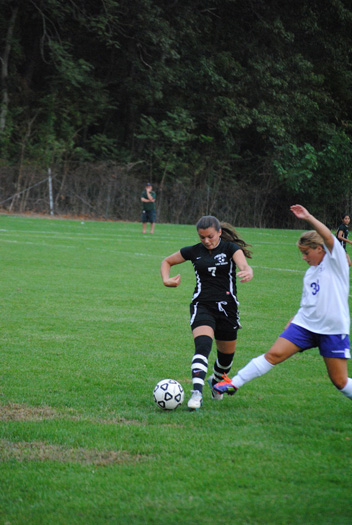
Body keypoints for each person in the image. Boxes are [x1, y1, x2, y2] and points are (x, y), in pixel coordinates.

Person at [214, 204, 352, 403]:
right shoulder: (310, 273)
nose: (304, 257)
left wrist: (309, 217)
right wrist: (293, 321)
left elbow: (329, 237)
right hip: (305, 326)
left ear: (320, 249)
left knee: (339, 381)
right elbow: (308, 304)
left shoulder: (335, 262)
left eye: (306, 253)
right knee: (274, 354)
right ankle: (234, 382)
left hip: (332, 329)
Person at [160, 215, 253, 410]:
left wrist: (247, 270)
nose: (206, 241)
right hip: (202, 305)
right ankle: (196, 393)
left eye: (210, 236)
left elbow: (243, 263)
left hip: (227, 309)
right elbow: (166, 261)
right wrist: (166, 279)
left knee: (226, 361)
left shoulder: (230, 249)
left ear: (219, 232)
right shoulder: (194, 251)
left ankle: (215, 382)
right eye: (202, 237)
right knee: (202, 347)